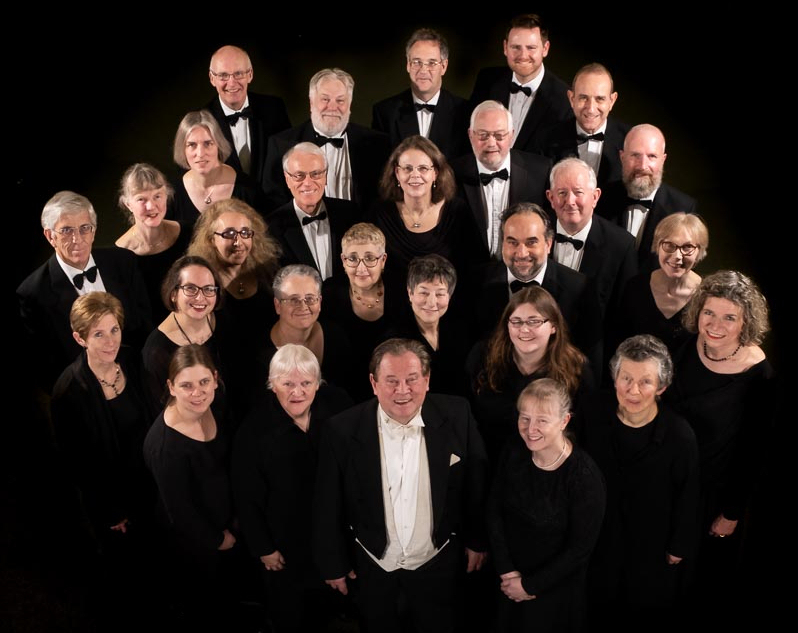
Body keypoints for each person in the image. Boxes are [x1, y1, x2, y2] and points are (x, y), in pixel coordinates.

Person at [313, 338, 489, 633]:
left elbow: (477, 484)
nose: (402, 391)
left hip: (437, 561)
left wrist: (477, 540)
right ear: (373, 383)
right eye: (391, 381)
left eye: (411, 379)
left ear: (427, 379)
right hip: (372, 565)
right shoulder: (341, 430)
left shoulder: (458, 414)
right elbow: (327, 503)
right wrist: (333, 564)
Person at [664, 270, 777, 625]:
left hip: (711, 496)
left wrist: (731, 512)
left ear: (745, 322)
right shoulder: (683, 344)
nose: (715, 324)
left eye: (730, 317)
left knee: (695, 589)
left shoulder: (760, 376)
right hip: (666, 482)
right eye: (709, 313)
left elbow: (754, 453)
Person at [573, 334, 700, 632]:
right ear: (614, 378)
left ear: (661, 388)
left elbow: (689, 495)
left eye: (645, 382)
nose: (633, 390)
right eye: (625, 378)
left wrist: (678, 546)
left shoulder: (680, 436)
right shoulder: (591, 413)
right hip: (599, 541)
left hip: (650, 547)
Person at [50, 291, 160, 629]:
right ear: (79, 338)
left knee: (161, 568)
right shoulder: (69, 391)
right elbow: (78, 466)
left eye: (114, 329)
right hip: (114, 502)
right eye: (98, 334)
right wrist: (110, 512)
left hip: (151, 487)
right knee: (128, 580)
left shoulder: (132, 361)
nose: (110, 340)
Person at [231, 344, 354, 632]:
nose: (297, 392)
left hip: (332, 533)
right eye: (287, 384)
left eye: (306, 383)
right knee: (291, 611)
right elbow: (246, 496)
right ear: (273, 385)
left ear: (318, 383)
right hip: (285, 541)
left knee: (335, 605)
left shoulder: (339, 409)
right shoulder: (253, 431)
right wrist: (264, 548)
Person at [488, 378, 606, 633]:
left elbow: (580, 550)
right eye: (525, 418)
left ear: (564, 421)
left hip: (555, 594)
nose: (531, 429)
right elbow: (494, 510)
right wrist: (508, 572)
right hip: (508, 584)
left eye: (542, 420)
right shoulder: (513, 453)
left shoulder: (583, 476)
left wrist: (529, 586)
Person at [142, 344, 242, 632]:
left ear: (215, 379)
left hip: (227, 523)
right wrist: (217, 539)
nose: (198, 393)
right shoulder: (164, 447)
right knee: (205, 603)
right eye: (186, 385)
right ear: (171, 387)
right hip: (195, 541)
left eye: (204, 382)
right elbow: (180, 511)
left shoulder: (216, 402)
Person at [17, 190, 152, 393]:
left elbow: (145, 327)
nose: (77, 239)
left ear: (94, 230)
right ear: (50, 236)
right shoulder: (33, 293)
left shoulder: (123, 262)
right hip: (86, 395)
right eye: (66, 231)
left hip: (139, 381)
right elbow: (47, 370)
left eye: (84, 228)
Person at [466, 285, 596, 467]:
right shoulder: (482, 357)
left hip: (547, 469)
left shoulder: (577, 369)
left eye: (534, 321)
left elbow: (583, 432)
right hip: (487, 464)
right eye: (516, 321)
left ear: (553, 326)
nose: (524, 329)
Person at [472, 202, 603, 373]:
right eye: (512, 242)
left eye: (531, 242)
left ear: (548, 244)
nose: (521, 253)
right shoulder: (475, 283)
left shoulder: (579, 288)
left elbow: (589, 362)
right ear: (502, 243)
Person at [368, 134, 486, 304]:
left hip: (448, 310)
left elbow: (473, 270)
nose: (415, 175)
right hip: (393, 310)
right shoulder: (379, 212)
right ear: (397, 173)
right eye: (407, 168)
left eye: (423, 168)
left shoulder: (457, 211)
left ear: (435, 173)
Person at [261, 68, 391, 210]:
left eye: (340, 100)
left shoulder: (377, 144)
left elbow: (384, 198)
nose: (332, 107)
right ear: (311, 102)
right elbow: (273, 201)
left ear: (350, 104)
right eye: (325, 99)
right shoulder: (281, 144)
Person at [547, 157, 637, 337]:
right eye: (562, 192)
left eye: (578, 192)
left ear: (595, 197)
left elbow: (625, 315)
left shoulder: (621, 245)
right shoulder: (534, 236)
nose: (570, 201)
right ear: (551, 197)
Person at [450, 100, 552, 259]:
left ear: (511, 135)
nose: (491, 143)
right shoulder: (451, 173)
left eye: (499, 135)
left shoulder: (540, 171)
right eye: (483, 135)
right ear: (471, 135)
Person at [596, 123, 698, 272]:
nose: (642, 166)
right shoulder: (601, 198)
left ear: (663, 160)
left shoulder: (683, 208)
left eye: (652, 156)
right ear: (622, 157)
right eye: (635, 155)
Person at [248, 264, 354, 405]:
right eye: (294, 300)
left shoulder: (336, 337)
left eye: (310, 299)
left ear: (320, 302)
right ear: (277, 305)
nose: (303, 307)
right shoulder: (259, 354)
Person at [469, 13, 571, 154]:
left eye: (531, 48)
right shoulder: (487, 80)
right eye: (516, 47)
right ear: (505, 47)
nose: (523, 55)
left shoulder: (564, 99)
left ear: (545, 49)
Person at [321, 222, 398, 402]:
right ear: (343, 261)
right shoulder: (330, 294)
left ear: (383, 260)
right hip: (345, 395)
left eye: (370, 258)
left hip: (395, 390)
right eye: (353, 258)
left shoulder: (401, 290)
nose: (361, 268)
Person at [612, 213, 709, 354]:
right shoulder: (635, 287)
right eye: (669, 245)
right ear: (657, 246)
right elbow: (619, 340)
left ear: (699, 252)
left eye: (687, 247)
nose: (677, 256)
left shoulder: (707, 296)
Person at [141, 255, 228, 408]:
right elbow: (162, 409)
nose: (200, 297)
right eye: (190, 288)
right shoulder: (157, 350)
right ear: (173, 294)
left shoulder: (225, 320)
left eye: (208, 289)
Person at [266, 142, 360, 283]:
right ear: (287, 179)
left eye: (315, 174)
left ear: (325, 175)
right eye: (299, 175)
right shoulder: (271, 227)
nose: (308, 183)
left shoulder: (350, 214)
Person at [371, 27, 470, 160]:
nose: (423, 70)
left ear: (444, 66)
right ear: (408, 65)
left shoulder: (465, 112)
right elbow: (381, 170)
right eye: (417, 62)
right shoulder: (385, 113)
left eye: (431, 63)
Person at [114, 162, 191, 324]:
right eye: (141, 199)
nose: (151, 206)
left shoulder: (188, 233)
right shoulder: (120, 255)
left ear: (167, 195)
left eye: (157, 196)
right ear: (128, 204)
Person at [204, 44, 291, 186]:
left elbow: (290, 159)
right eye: (223, 75)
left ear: (250, 74)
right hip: (228, 205)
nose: (232, 83)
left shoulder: (274, 108)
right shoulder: (201, 121)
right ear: (212, 78)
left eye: (238, 74)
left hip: (272, 204)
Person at [390, 254, 471, 397]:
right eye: (424, 293)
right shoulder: (393, 339)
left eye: (440, 294)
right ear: (410, 293)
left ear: (449, 296)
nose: (432, 302)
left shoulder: (461, 331)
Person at [538, 63, 629, 189]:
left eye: (600, 99)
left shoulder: (628, 141)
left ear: (612, 101)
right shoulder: (548, 139)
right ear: (571, 99)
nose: (591, 109)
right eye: (583, 98)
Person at [169, 109, 268, 225]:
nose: (200, 153)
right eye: (192, 145)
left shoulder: (248, 189)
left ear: (219, 145)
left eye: (208, 144)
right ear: (183, 149)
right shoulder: (171, 194)